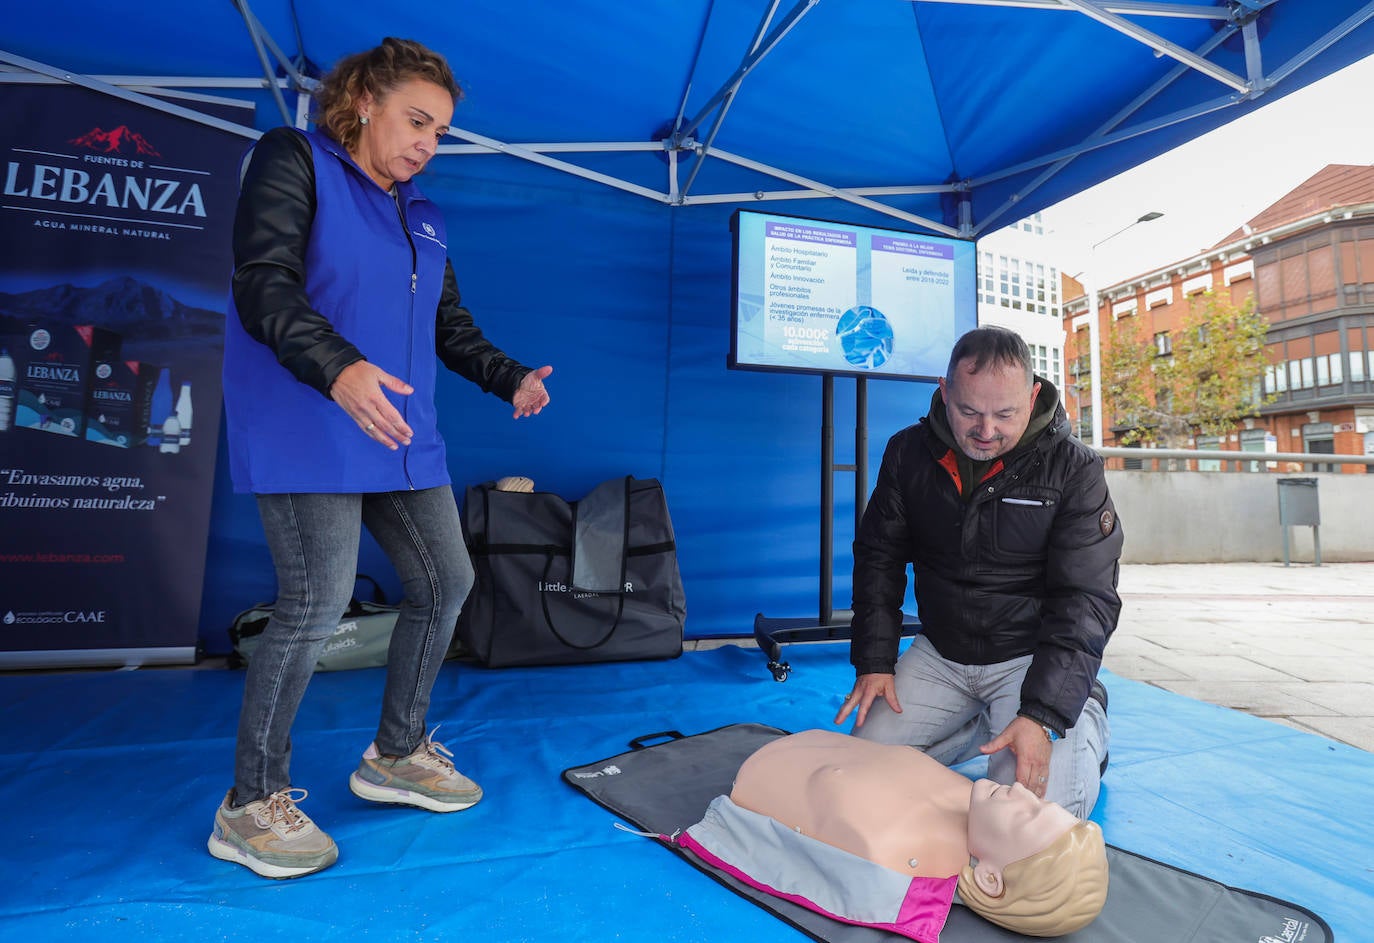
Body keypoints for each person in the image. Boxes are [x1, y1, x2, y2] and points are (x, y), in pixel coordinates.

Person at [209, 38, 553, 879]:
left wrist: (509, 376)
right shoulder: (293, 159)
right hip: (308, 422)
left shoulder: (423, 212)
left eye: (440, 131)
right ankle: (250, 803)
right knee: (317, 599)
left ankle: (394, 754)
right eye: (416, 120)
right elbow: (263, 283)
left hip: (401, 436)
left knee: (448, 579)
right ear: (363, 99)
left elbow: (449, 325)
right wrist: (338, 366)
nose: (427, 142)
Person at [834, 326, 1121, 820]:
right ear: (944, 393)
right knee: (857, 776)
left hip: (1028, 660)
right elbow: (878, 557)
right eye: (969, 411)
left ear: (1033, 398)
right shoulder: (907, 454)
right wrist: (875, 662)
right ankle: (980, 726)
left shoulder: (1075, 470)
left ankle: (1082, 719)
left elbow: (1086, 599)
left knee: (1024, 817)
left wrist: (1042, 714)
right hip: (941, 655)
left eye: (1005, 414)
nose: (986, 430)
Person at [700, 730, 1108, 938]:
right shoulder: (976, 802)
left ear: (988, 877)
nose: (1022, 792)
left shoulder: (886, 847)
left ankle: (1088, 718)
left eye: (1027, 817)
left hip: (766, 773)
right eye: (1040, 804)